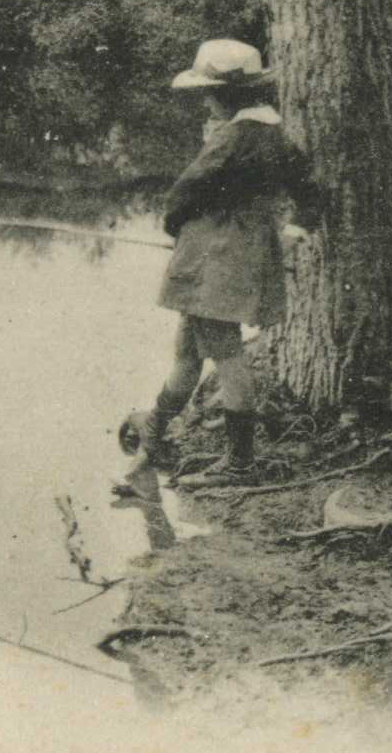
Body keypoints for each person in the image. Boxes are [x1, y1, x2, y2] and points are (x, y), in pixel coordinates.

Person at [125, 38, 322, 485]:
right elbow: (309, 194)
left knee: (227, 354)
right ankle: (155, 427)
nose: (205, 102)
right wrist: (291, 234)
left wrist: (177, 231)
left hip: (215, 256)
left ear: (223, 97)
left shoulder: (231, 137)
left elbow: (183, 194)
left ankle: (240, 464)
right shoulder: (273, 135)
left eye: (208, 94)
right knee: (189, 349)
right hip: (243, 250)